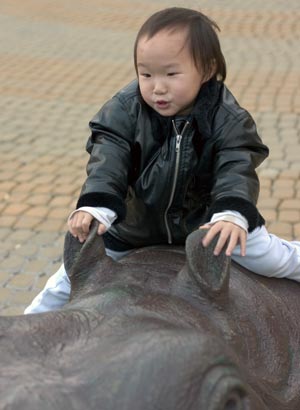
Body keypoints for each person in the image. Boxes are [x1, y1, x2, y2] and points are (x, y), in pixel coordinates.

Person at [24, 7, 300, 314]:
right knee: (67, 278)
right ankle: (27, 329)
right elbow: (108, 157)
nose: (157, 87)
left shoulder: (227, 118)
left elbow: (236, 165)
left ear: (206, 71)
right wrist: (96, 205)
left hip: (208, 225)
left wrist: (232, 213)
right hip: (135, 227)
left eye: (171, 74)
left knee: (270, 257)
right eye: (146, 74)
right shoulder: (125, 110)